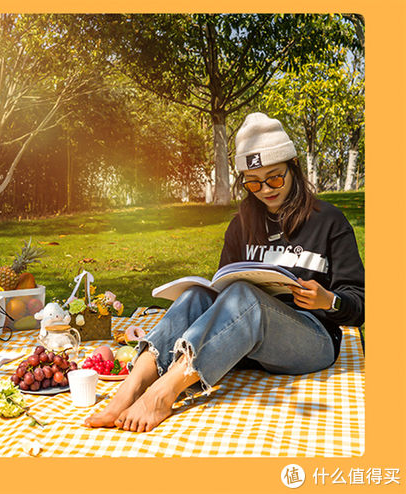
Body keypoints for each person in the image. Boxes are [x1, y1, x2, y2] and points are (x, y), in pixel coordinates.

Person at [85, 112, 364, 433]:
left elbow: (360, 304)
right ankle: (130, 389)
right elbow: (223, 290)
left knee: (247, 299)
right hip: (250, 346)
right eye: (253, 182)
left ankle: (163, 393)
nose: (265, 189)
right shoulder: (242, 224)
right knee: (195, 296)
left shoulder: (329, 221)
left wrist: (329, 301)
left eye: (274, 177)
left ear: (294, 167)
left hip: (313, 340)